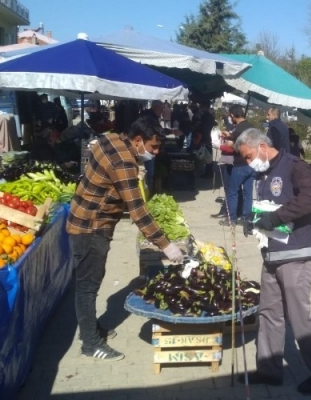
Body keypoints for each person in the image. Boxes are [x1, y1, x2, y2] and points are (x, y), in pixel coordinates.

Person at [66, 116, 184, 361]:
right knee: (88, 286)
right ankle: (90, 343)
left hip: (83, 217)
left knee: (89, 283)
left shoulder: (110, 139)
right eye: (153, 146)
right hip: (91, 227)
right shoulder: (124, 162)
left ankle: (90, 328)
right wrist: (166, 245)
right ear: (138, 140)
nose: (156, 152)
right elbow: (138, 212)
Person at [235, 128, 311, 395]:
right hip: (272, 255)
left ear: (262, 146)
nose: (248, 162)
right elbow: (267, 206)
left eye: (248, 156)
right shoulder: (263, 173)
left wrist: (275, 218)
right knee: (269, 312)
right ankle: (269, 370)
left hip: (296, 254)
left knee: (299, 315)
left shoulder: (295, 166)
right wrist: (254, 221)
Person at [219, 105, 253, 229]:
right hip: (251, 164)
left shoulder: (238, 129)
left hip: (240, 165)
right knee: (248, 194)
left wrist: (228, 142)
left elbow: (232, 145)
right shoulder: (251, 127)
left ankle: (232, 219)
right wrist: (229, 135)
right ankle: (246, 219)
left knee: (232, 192)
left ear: (232, 115)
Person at [198, 102, 215, 178]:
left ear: (205, 107)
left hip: (205, 138)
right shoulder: (211, 116)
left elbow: (204, 128)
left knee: (207, 156)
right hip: (208, 137)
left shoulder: (205, 116)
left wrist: (202, 140)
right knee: (208, 156)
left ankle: (208, 173)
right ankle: (209, 172)